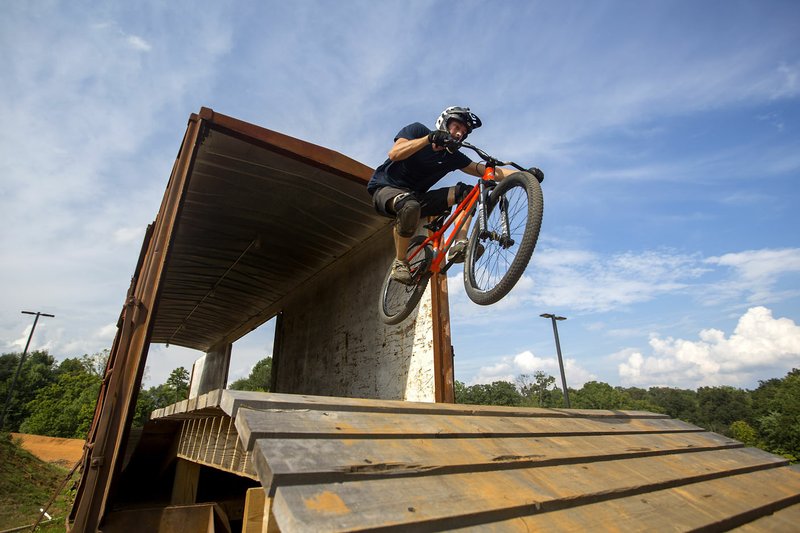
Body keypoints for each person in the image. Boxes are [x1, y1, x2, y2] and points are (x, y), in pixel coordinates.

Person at [367, 106, 542, 284]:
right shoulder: (417, 130)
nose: (459, 134)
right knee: (409, 205)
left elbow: (487, 171)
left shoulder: (453, 157)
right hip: (385, 189)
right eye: (457, 128)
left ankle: (460, 244)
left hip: (417, 197)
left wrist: (525, 175)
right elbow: (395, 153)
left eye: (464, 132)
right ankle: (400, 262)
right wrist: (428, 139)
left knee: (466, 192)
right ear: (444, 123)